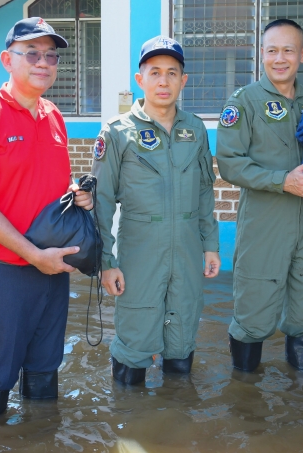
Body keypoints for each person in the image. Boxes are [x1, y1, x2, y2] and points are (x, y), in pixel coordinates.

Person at [0, 17, 93, 415]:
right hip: (5, 271)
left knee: (45, 371)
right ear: (7, 60)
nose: (43, 62)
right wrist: (32, 255)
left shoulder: (53, 115)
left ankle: (41, 439)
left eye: (50, 55)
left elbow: (48, 182)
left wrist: (76, 195)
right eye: (31, 53)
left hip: (53, 268)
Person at [93, 36, 220, 385]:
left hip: (187, 252)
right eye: (155, 73)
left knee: (181, 340)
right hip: (140, 253)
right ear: (140, 80)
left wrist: (210, 245)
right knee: (135, 340)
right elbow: (102, 203)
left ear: (183, 80)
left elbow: (205, 191)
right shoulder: (117, 132)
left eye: (172, 73)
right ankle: (129, 428)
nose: (163, 81)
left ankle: (177, 427)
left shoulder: (195, 130)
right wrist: (106, 263)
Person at [216, 19, 303, 373]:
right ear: (261, 54)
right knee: (254, 308)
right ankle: (246, 403)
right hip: (265, 219)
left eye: (289, 50)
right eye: (272, 50)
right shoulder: (244, 102)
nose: (280, 59)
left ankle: (302, 400)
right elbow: (230, 165)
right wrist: (283, 181)